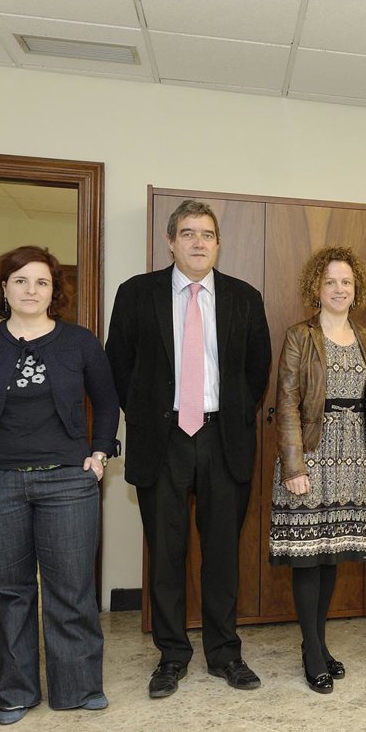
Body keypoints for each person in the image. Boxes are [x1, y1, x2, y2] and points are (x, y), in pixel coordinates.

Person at [0, 245, 118, 725]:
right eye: (20, 280)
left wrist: (98, 457)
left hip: (68, 484)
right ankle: (16, 692)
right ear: (3, 288)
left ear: (54, 292)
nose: (31, 290)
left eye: (42, 282)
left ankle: (78, 688)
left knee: (71, 590)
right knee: (10, 593)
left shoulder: (80, 343)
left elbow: (107, 402)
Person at [106, 199, 271, 698]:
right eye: (188, 233)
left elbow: (256, 369)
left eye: (207, 234)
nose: (199, 242)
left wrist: (232, 414)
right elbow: (118, 365)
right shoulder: (136, 294)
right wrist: (148, 415)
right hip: (163, 440)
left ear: (218, 244)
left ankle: (225, 654)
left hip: (224, 439)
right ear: (170, 241)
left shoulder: (244, 297)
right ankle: (172, 656)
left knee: (222, 554)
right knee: (166, 554)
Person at [271, 246, 366, 694]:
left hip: (353, 457)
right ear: (316, 287)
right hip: (310, 455)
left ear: (357, 289)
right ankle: (311, 650)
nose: (338, 289)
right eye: (330, 281)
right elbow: (287, 403)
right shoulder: (300, 336)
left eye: (346, 282)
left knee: (333, 554)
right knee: (308, 559)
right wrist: (294, 465)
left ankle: (319, 641)